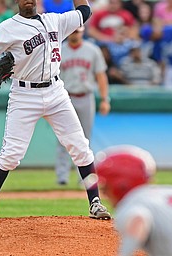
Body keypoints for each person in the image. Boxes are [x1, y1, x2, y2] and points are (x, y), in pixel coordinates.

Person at [0, 0, 111, 221]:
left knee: (80, 147)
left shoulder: (55, 20)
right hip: (24, 95)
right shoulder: (7, 28)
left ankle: (95, 202)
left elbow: (84, 11)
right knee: (11, 154)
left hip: (56, 91)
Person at [55, 25, 111, 185]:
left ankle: (85, 178)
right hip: (65, 97)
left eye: (77, 31)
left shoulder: (92, 50)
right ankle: (62, 177)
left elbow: (101, 76)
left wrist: (105, 99)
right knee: (62, 138)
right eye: (72, 31)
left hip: (86, 96)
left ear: (83, 31)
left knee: (84, 139)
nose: (75, 34)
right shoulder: (59, 49)